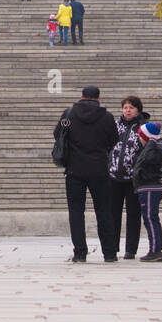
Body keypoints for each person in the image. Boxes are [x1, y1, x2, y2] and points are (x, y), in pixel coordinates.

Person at [54, 86, 119, 262]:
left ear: (81, 96)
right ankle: (110, 253)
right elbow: (114, 140)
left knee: (76, 212)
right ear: (99, 98)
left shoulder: (69, 114)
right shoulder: (107, 117)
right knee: (104, 211)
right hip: (99, 170)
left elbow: (57, 135)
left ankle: (80, 253)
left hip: (74, 170)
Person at [108, 95, 151, 258]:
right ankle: (112, 246)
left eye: (131, 108)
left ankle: (131, 249)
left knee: (133, 214)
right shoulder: (115, 125)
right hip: (114, 176)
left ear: (138, 110)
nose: (127, 110)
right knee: (113, 213)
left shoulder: (144, 127)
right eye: (125, 107)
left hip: (134, 179)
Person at [132, 120, 162, 261]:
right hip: (148, 187)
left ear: (147, 137)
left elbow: (145, 161)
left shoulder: (153, 149)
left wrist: (151, 142)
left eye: (141, 136)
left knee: (150, 219)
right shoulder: (153, 148)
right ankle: (156, 249)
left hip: (149, 187)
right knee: (153, 219)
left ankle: (155, 251)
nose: (139, 138)